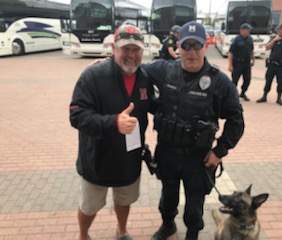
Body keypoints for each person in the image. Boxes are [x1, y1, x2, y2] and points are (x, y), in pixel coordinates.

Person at [141, 21, 245, 240]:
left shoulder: (220, 82)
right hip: (167, 152)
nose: (191, 52)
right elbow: (133, 68)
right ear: (178, 46)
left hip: (198, 158)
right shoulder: (163, 69)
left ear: (205, 46)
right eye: (185, 46)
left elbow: (237, 120)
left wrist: (219, 151)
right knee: (168, 196)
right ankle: (168, 225)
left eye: (196, 46)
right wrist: (107, 64)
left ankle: (192, 234)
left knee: (194, 203)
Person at [69, 25, 156, 240]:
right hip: (97, 158)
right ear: (113, 48)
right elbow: (77, 116)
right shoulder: (93, 76)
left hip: (129, 157)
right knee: (89, 206)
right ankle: (83, 235)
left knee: (124, 199)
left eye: (136, 49)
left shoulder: (145, 78)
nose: (131, 55)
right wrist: (113, 122)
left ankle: (122, 230)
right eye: (125, 49)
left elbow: (157, 106)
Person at [256, 23, 282, 106]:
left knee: (280, 82)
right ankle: (264, 96)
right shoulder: (274, 37)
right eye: (278, 29)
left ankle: (279, 98)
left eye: (280, 29)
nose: (278, 31)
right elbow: (267, 47)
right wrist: (274, 40)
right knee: (268, 81)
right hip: (272, 64)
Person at [228, 23, 255, 101]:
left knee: (247, 79)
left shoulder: (250, 39)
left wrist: (253, 59)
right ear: (242, 30)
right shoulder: (236, 40)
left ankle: (243, 93)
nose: (249, 31)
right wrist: (230, 65)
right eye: (248, 29)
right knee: (234, 80)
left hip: (247, 63)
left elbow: (251, 50)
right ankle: (232, 95)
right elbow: (231, 53)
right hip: (237, 63)